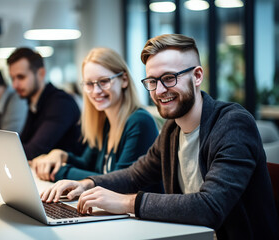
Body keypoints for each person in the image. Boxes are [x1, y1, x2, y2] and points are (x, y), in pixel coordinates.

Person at [41, 34, 279, 240]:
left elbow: (210, 206)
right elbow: (135, 174)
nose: (160, 90)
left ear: (197, 76)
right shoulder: (172, 130)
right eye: (152, 81)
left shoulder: (233, 124)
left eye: (169, 78)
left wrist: (125, 202)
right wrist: (88, 184)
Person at [31, 48, 158, 182]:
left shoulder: (139, 122)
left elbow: (119, 182)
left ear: (124, 80)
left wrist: (59, 171)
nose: (96, 91)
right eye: (89, 84)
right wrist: (61, 156)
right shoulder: (105, 122)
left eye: (103, 81)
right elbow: (86, 164)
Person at [7, 48, 84, 160]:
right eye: (12, 78)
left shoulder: (61, 103)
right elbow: (23, 143)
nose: (15, 85)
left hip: (67, 174)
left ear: (41, 73)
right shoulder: (34, 102)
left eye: (21, 77)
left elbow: (35, 150)